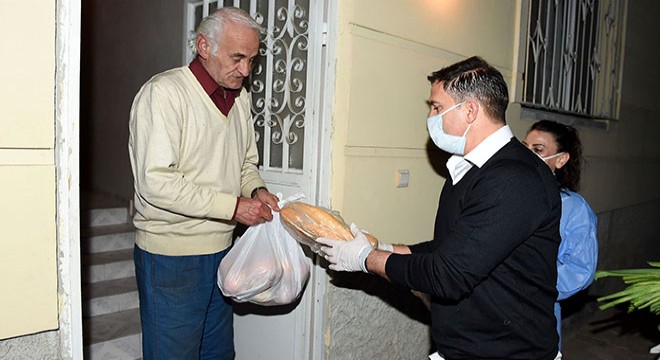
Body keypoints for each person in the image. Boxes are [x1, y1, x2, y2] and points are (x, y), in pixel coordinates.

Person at [317, 56, 562, 360]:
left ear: (470, 110)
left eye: (436, 107)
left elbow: (448, 275)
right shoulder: (471, 169)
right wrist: (385, 247)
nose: (430, 117)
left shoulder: (514, 179)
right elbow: (449, 247)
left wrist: (368, 259)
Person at [128, 7, 280, 359]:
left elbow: (245, 164)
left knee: (218, 354)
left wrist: (256, 190)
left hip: (224, 251)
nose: (245, 70)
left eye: (252, 60)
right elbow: (157, 182)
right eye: (238, 57)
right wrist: (234, 207)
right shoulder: (163, 94)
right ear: (203, 46)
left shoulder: (240, 99)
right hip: (171, 256)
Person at [523, 120, 598, 350]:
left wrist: (527, 286)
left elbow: (580, 270)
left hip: (534, 316)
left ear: (561, 159)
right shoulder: (507, 195)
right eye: (524, 148)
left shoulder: (573, 209)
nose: (527, 156)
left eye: (538, 150)